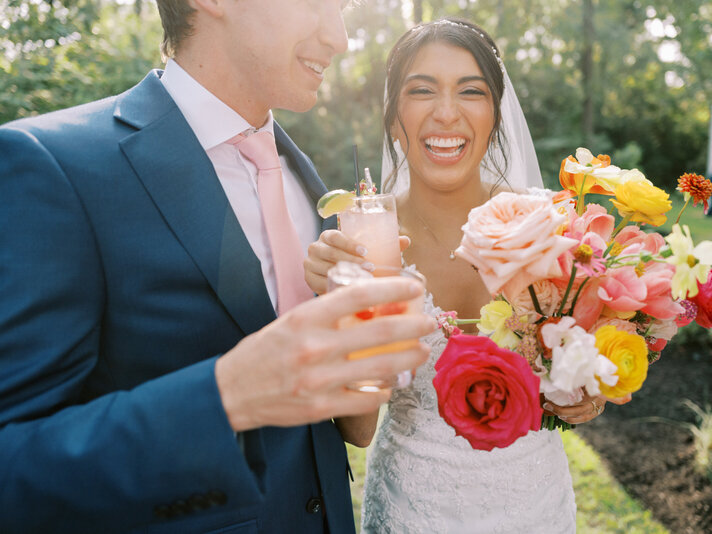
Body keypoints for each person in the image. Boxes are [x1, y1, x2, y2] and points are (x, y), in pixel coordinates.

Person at [0, 2, 437, 533]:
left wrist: (366, 342)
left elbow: (352, 430)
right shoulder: (53, 166)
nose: (341, 39)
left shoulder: (310, 184)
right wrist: (226, 394)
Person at [304, 18, 610, 533]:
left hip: (534, 505)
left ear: (495, 114)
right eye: (422, 91)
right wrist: (347, 304)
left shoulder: (551, 223)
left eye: (470, 92)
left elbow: (580, 368)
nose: (446, 112)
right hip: (412, 509)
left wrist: (587, 391)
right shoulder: (366, 234)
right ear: (395, 117)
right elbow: (357, 430)